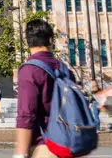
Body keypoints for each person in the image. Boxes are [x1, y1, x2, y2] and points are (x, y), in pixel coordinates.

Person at [14, 18, 76, 158]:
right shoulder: (64, 68)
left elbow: (26, 114)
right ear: (50, 40)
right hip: (69, 144)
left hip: (46, 146)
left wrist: (20, 153)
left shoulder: (29, 70)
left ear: (27, 41)